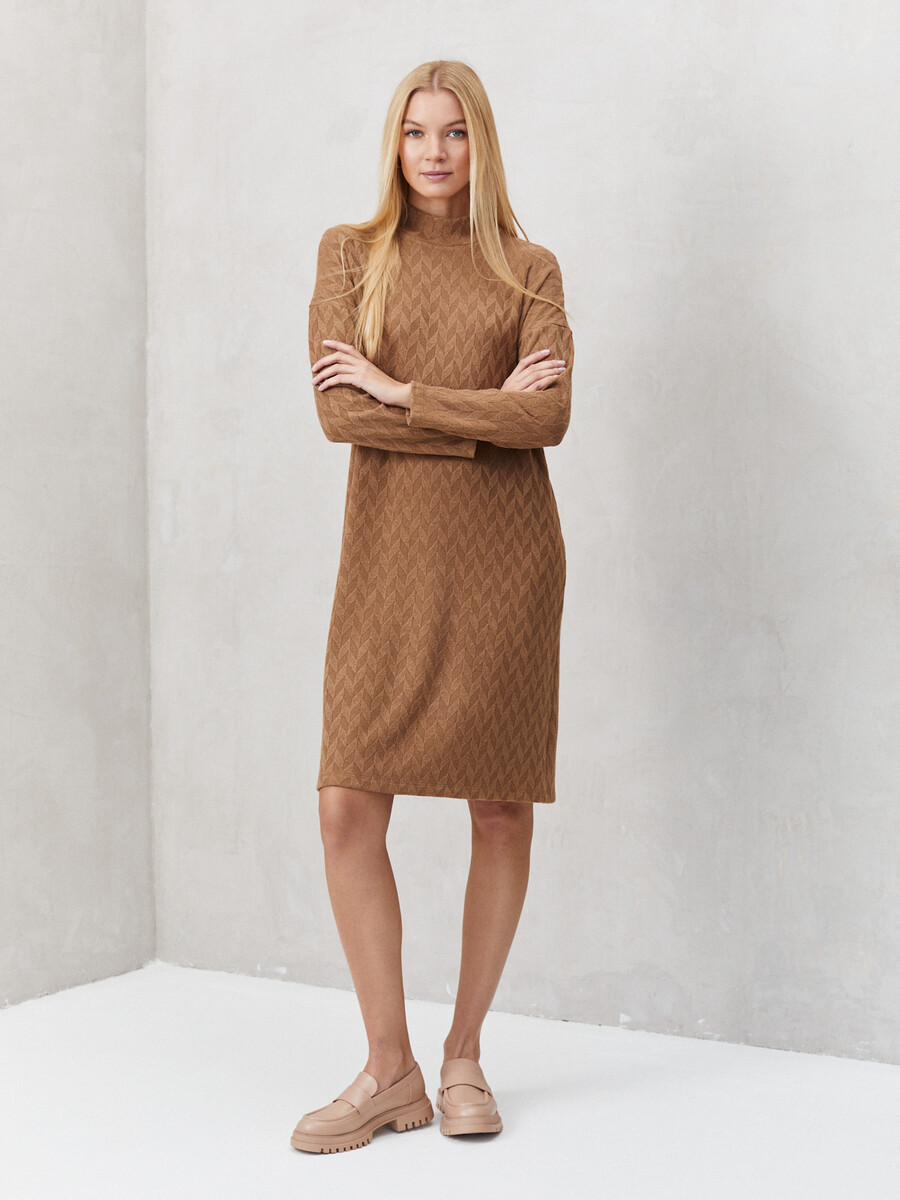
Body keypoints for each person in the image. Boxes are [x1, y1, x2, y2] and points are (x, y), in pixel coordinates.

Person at [291, 59, 574, 1155]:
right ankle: (389, 1069)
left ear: (481, 143)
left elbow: (548, 418)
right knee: (345, 806)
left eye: (455, 132)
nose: (436, 152)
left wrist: (404, 392)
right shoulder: (349, 255)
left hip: (506, 567)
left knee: (499, 809)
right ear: (395, 143)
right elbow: (337, 416)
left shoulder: (529, 269)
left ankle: (462, 1055)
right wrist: (480, 409)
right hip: (388, 565)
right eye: (417, 132)